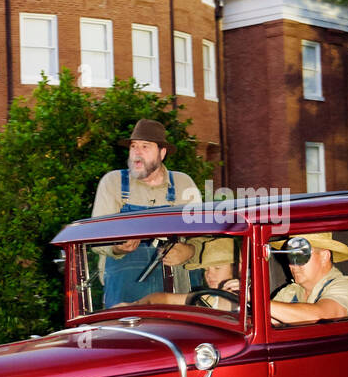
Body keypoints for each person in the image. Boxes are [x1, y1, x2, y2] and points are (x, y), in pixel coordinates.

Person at [91, 120, 201, 307]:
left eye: (145, 146)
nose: (137, 153)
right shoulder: (113, 183)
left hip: (176, 292)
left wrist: (190, 250)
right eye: (133, 146)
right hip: (125, 296)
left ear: (162, 153)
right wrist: (116, 248)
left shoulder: (184, 184)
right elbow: (94, 238)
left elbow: (206, 236)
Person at [116, 238, 238, 311]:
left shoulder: (252, 298)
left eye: (217, 268)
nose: (209, 275)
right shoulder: (207, 299)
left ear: (239, 268)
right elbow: (163, 299)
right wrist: (133, 305)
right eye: (206, 269)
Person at [270, 232, 348, 323]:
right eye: (290, 256)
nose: (292, 265)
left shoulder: (347, 286)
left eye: (300, 256)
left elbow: (322, 318)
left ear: (324, 256)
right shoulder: (288, 293)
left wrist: (262, 306)